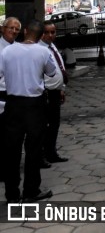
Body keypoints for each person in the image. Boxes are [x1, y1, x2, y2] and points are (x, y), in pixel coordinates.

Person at [0, 19, 57, 203]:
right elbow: (51, 72)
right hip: (35, 106)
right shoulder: (43, 51)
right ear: (41, 36)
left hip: (13, 104)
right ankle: (31, 190)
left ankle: (11, 194)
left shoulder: (7, 50)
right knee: (33, 150)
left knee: (11, 150)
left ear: (24, 31)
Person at [39, 20, 69, 165]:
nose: (50, 35)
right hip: (46, 93)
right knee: (45, 125)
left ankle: (52, 153)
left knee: (55, 124)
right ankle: (42, 155)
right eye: (47, 32)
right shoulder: (39, 49)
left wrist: (61, 88)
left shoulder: (52, 47)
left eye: (53, 32)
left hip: (56, 92)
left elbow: (59, 67)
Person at [0, 17, 22, 183]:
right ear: (3, 28)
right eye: (11, 28)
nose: (14, 31)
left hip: (16, 98)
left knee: (12, 139)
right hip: (2, 97)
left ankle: (9, 171)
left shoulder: (18, 48)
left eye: (17, 29)